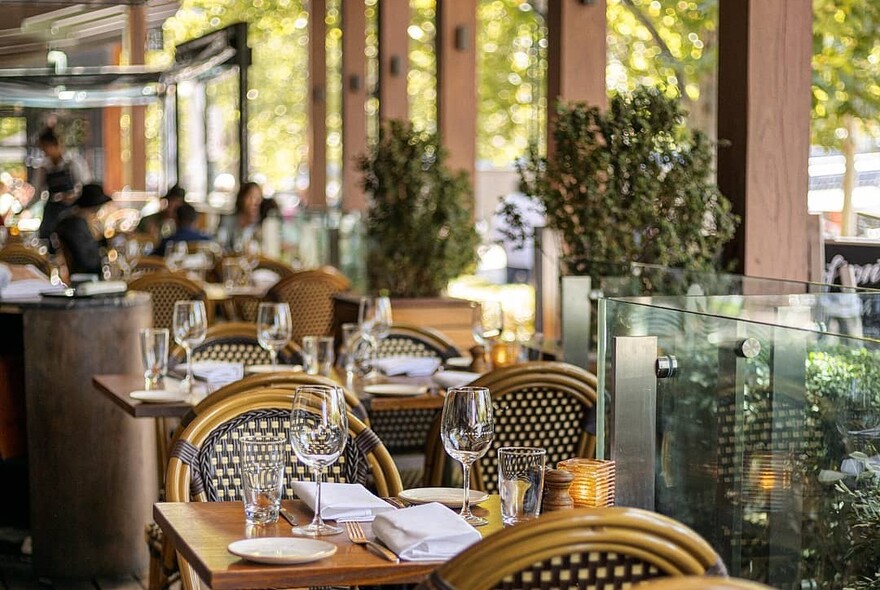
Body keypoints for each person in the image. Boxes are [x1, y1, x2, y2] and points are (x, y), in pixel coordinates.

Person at [32, 127, 91, 240]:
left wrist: (73, 196)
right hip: (52, 211)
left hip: (71, 210)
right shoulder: (44, 167)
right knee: (46, 238)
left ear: (55, 144)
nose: (44, 151)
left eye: (45, 147)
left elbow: (85, 186)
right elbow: (37, 192)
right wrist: (25, 209)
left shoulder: (72, 162)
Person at [52, 183, 110, 276]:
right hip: (86, 276)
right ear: (94, 208)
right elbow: (89, 261)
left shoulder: (70, 221)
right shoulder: (76, 226)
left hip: (81, 274)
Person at [217, 181, 263, 252]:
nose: (256, 202)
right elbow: (219, 247)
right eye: (251, 197)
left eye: (258, 198)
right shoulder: (227, 221)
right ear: (241, 198)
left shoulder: (261, 225)